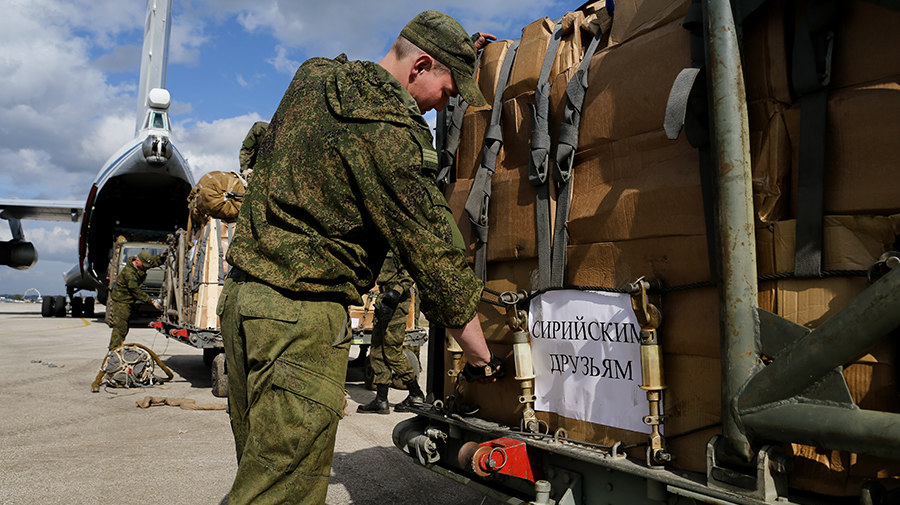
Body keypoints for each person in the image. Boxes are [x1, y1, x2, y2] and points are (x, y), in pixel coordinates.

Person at [218, 10, 503, 505]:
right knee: (279, 494)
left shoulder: (312, 76)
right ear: (421, 65)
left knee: (260, 473)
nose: (442, 107)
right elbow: (433, 256)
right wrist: (482, 359)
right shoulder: (391, 133)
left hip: (242, 304)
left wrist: (466, 54)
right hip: (299, 323)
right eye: (448, 90)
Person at [357, 252, 422, 414]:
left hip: (397, 300)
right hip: (383, 297)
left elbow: (410, 270)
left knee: (392, 350)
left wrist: (396, 291)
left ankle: (416, 394)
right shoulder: (381, 243)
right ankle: (381, 400)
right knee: (377, 350)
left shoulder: (397, 243)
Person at [105, 249, 165, 351]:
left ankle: (117, 348)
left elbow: (154, 262)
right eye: (144, 265)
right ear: (137, 260)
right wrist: (151, 302)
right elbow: (135, 291)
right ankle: (113, 351)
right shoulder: (129, 273)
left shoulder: (141, 264)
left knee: (123, 327)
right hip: (121, 301)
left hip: (128, 300)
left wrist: (163, 256)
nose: (146, 267)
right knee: (120, 328)